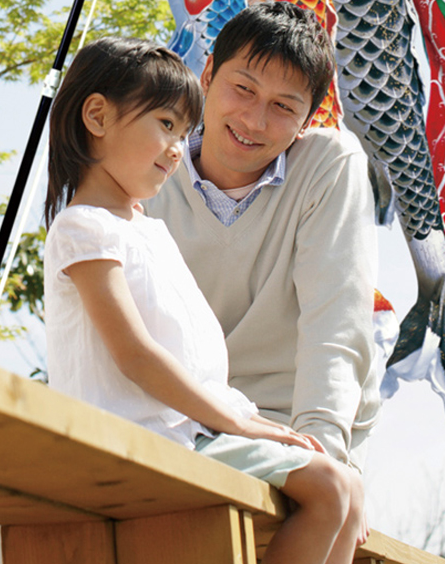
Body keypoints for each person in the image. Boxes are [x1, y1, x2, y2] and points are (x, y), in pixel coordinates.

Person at [44, 37, 366, 564]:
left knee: (346, 492)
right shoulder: (84, 228)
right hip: (142, 437)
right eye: (165, 125)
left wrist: (243, 420)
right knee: (328, 487)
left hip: (188, 430)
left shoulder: (146, 228)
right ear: (97, 116)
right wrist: (235, 421)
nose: (177, 148)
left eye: (182, 130)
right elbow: (136, 354)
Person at [147, 2, 380, 471]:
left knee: (323, 494)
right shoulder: (146, 172)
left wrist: (324, 451)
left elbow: (334, 323)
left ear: (309, 119)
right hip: (172, 417)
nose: (254, 121)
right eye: (243, 89)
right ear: (208, 75)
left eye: (282, 107)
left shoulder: (328, 166)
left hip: (289, 422)